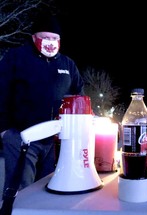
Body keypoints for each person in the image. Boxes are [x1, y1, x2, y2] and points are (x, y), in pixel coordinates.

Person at [0, 13, 84, 198]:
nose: (50, 42)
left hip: (55, 140)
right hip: (22, 137)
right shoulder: (16, 58)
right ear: (33, 38)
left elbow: (79, 96)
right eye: (45, 37)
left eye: (55, 38)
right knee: (21, 191)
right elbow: (1, 91)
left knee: (50, 189)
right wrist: (4, 129)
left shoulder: (67, 64)